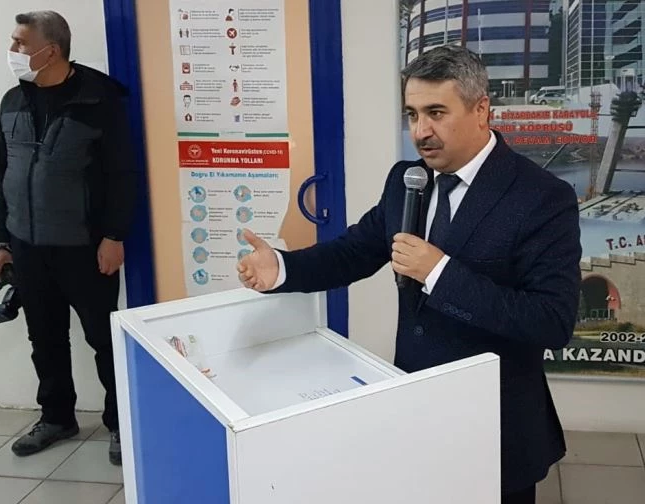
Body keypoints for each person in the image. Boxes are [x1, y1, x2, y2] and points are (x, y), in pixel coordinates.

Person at [236, 45, 581, 503]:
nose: (421, 131)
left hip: (496, 424)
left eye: (436, 113)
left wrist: (438, 271)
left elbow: (551, 321)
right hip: (415, 408)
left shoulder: (541, 197)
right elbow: (353, 253)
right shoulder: (406, 181)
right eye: (412, 115)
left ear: (481, 110)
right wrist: (282, 266)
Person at [0, 10, 137, 466]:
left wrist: (114, 235)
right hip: (28, 246)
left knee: (103, 340)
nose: (12, 51)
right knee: (45, 338)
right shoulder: (12, 100)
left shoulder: (99, 100)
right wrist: (2, 241)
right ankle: (56, 417)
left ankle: (120, 424)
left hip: (85, 247)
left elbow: (122, 174)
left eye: (20, 43)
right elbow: (3, 175)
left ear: (50, 51)